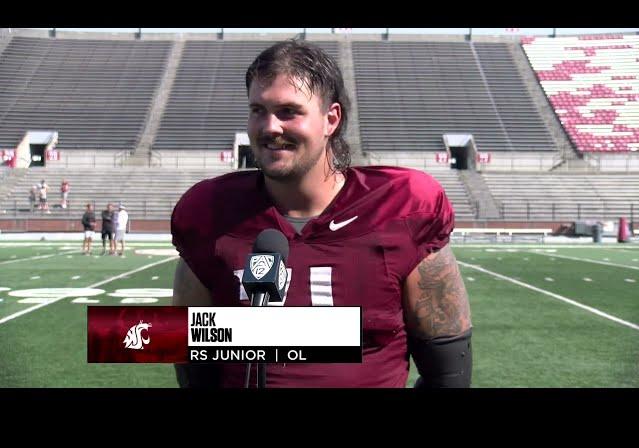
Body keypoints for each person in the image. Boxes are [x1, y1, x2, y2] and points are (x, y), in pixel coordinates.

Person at [171, 40, 472, 388]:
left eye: (288, 111)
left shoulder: (401, 208)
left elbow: (448, 375)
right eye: (258, 110)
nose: (269, 127)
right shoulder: (210, 213)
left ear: (331, 119)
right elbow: (194, 365)